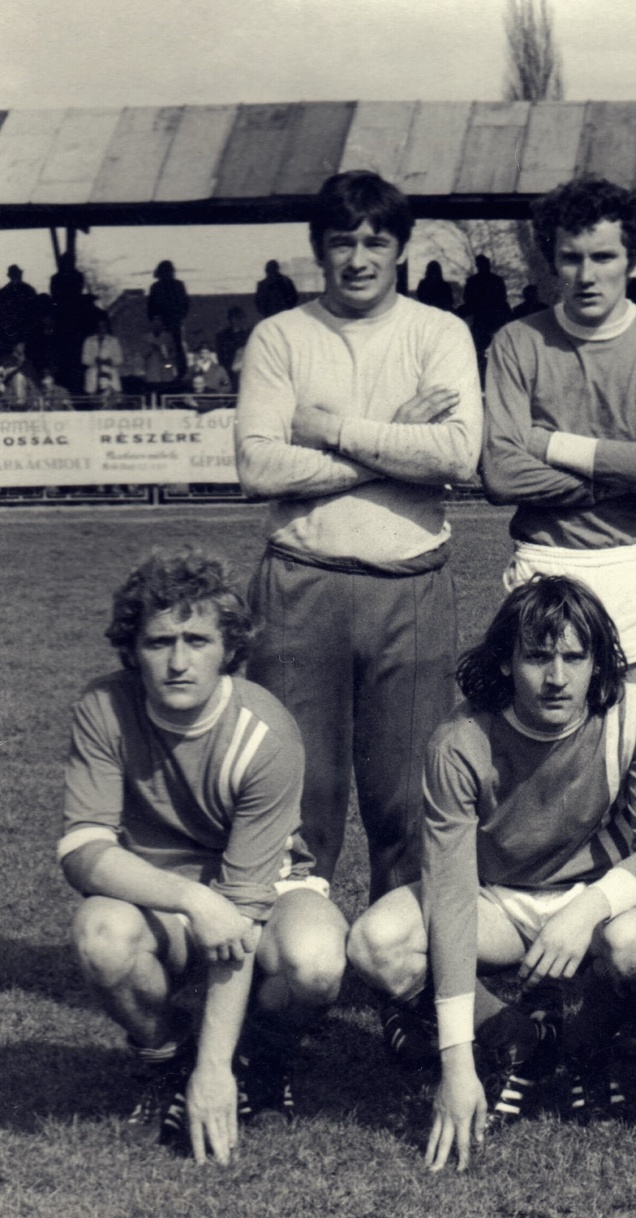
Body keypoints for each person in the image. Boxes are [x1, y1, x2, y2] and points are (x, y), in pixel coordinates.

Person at [347, 576, 636, 1170]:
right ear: (505, 660)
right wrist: (458, 1064)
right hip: (494, 900)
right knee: (376, 944)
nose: (557, 677)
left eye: (575, 657)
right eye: (537, 657)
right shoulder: (460, 741)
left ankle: (587, 1041)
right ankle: (517, 1037)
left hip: (593, 900)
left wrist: (587, 909)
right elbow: (451, 898)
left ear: (598, 662)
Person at [234, 170, 481, 911]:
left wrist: (333, 431)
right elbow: (259, 467)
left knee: (407, 795)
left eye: (376, 242)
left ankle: (395, 959)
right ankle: (290, 963)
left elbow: (458, 455)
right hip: (300, 584)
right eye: (342, 242)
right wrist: (395, 441)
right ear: (319, 249)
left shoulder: (440, 333)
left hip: (410, 585)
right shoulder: (280, 336)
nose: (359, 258)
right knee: (295, 792)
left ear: (401, 247)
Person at [59, 548, 347, 1162]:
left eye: (197, 640)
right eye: (159, 642)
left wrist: (215, 1073)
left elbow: (242, 911)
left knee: (317, 962)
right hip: (163, 894)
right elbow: (83, 849)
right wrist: (192, 898)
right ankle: (165, 1059)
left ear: (229, 647)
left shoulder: (265, 732)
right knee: (100, 935)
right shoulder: (103, 708)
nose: (178, 661)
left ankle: (257, 1058)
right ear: (132, 648)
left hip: (264, 888)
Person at [480, 175, 636, 732]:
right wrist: (632, 466)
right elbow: (501, 473)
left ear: (633, 256)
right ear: (551, 260)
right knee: (546, 756)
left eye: (603, 257)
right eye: (571, 258)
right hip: (545, 563)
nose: (586, 275)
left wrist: (549, 445)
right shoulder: (517, 341)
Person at [81, 314, 123, 396]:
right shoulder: (89, 341)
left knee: (113, 398)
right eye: (99, 325)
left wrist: (110, 361)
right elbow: (84, 360)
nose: (101, 328)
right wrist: (95, 361)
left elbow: (120, 360)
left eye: (104, 325)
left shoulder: (113, 341)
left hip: (110, 374)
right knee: (93, 399)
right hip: (93, 375)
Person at [215, 307, 251, 375]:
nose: (242, 320)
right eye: (239, 318)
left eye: (242, 318)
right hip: (229, 369)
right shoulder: (222, 336)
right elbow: (221, 356)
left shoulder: (248, 333)